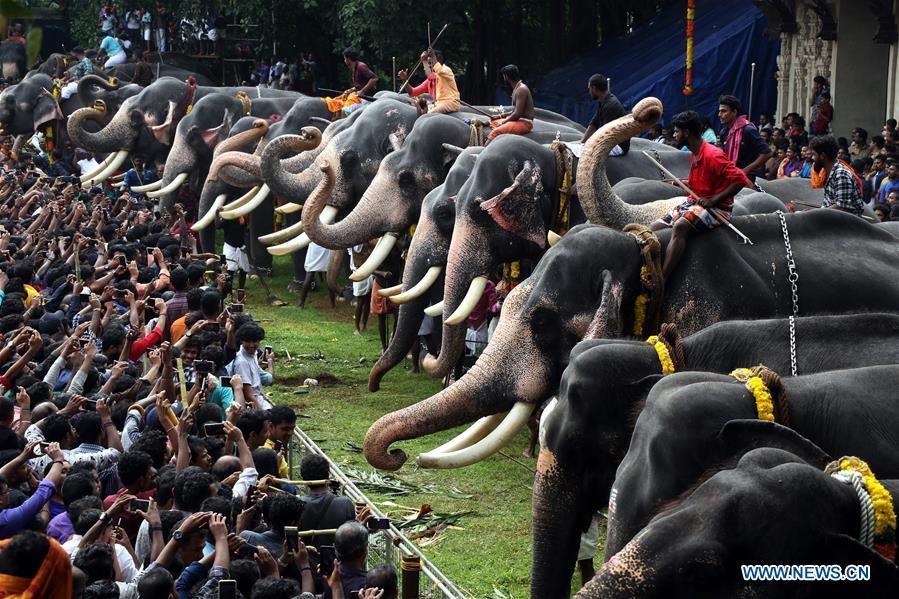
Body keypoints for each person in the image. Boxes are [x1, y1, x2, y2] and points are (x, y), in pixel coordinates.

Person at [652, 111, 751, 280]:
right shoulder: (694, 153)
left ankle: (663, 278)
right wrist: (676, 182)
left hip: (718, 209)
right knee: (654, 227)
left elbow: (741, 180)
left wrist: (714, 200)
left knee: (681, 225)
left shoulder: (713, 155)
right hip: (695, 203)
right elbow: (697, 184)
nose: (674, 135)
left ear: (687, 133)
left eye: (677, 131)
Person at [717, 94, 770, 181]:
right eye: (719, 111)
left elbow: (767, 153)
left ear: (734, 112)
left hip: (748, 177)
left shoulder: (748, 130)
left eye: (723, 111)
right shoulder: (723, 132)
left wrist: (746, 170)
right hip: (731, 175)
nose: (719, 114)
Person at [811, 135, 865, 216]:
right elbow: (828, 203)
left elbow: (841, 207)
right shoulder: (827, 171)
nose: (812, 158)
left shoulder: (841, 174)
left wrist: (814, 214)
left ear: (822, 156)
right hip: (833, 217)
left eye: (814, 154)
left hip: (847, 223)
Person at [399, 48, 461, 115]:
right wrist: (404, 80)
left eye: (431, 62)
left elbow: (438, 70)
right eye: (429, 63)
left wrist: (432, 55)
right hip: (439, 103)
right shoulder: (430, 80)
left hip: (450, 102)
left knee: (428, 115)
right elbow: (413, 92)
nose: (430, 65)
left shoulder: (446, 70)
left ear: (439, 58)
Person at [580, 74, 628, 155]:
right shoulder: (602, 101)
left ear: (594, 88)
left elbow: (603, 134)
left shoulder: (611, 105)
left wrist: (587, 145)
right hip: (608, 140)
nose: (589, 92)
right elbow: (593, 124)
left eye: (589, 89)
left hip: (618, 145)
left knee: (587, 153)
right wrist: (582, 142)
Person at [488, 65, 534, 140]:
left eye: (504, 75)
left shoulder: (521, 89)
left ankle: (483, 150)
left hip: (525, 122)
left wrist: (503, 122)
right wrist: (499, 116)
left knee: (495, 132)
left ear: (507, 77)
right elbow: (514, 111)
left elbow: (517, 114)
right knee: (492, 122)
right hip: (519, 120)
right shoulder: (517, 88)